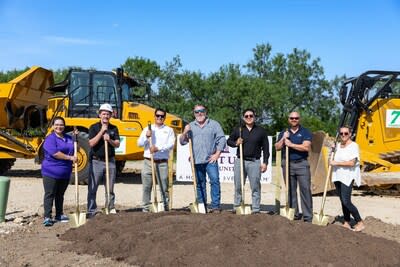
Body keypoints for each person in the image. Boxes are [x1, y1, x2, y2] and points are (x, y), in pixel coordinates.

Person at [179, 104, 226, 213]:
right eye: (197, 112)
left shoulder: (214, 124)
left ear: (206, 112)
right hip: (196, 160)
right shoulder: (190, 126)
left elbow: (222, 139)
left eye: (202, 111)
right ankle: (202, 205)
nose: (199, 113)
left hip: (210, 160)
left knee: (214, 181)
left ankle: (215, 206)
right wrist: (185, 132)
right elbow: (182, 142)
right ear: (194, 113)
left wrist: (217, 154)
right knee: (200, 184)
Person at [227, 109, 269, 214]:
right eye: (246, 116)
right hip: (240, 161)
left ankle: (256, 209)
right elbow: (229, 141)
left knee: (255, 186)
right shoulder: (239, 130)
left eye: (251, 115)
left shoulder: (261, 131)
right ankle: (237, 206)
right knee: (238, 186)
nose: (249, 117)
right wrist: (236, 143)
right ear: (243, 118)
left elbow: (266, 148)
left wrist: (265, 162)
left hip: (255, 162)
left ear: (255, 117)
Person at [275, 111, 313, 222]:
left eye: (296, 118)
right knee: (290, 190)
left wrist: (291, 145)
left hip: (302, 164)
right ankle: (294, 213)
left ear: (299, 119)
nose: (294, 120)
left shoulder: (305, 132)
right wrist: (283, 139)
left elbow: (306, 147)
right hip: (287, 163)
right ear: (288, 119)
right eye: (292, 118)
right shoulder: (284, 132)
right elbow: (277, 147)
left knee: (305, 189)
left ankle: (307, 216)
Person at [41, 117, 77, 227]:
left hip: (65, 172)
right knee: (50, 194)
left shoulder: (69, 138)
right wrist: (70, 158)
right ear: (52, 126)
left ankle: (59, 214)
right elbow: (55, 153)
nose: (59, 127)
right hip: (50, 171)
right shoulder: (50, 139)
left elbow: (76, 149)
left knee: (60, 195)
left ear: (64, 126)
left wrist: (76, 139)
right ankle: (47, 217)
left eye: (61, 125)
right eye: (56, 125)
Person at [137, 108, 175, 212]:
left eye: (162, 116)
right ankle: (145, 209)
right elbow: (139, 143)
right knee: (146, 187)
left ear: (164, 118)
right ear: (154, 116)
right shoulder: (147, 129)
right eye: (157, 115)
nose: (159, 118)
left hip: (162, 163)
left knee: (164, 187)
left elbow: (171, 144)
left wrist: (158, 148)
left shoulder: (169, 130)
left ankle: (165, 208)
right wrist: (146, 136)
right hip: (148, 162)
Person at [87, 103, 120, 218]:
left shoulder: (114, 128)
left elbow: (117, 144)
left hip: (110, 161)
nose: (105, 116)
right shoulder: (93, 127)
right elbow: (91, 143)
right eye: (104, 113)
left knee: (110, 187)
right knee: (93, 187)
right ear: (100, 114)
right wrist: (101, 132)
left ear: (110, 115)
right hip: (96, 161)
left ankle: (109, 208)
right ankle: (91, 210)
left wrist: (109, 139)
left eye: (108, 114)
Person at [330, 126, 365, 232]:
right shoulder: (337, 146)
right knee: (342, 200)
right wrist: (331, 151)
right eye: (341, 133)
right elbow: (331, 160)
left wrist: (336, 163)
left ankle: (360, 222)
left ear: (350, 134)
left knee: (346, 201)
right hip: (338, 176)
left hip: (347, 177)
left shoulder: (354, 146)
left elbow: (352, 163)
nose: (343, 135)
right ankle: (346, 222)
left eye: (346, 133)